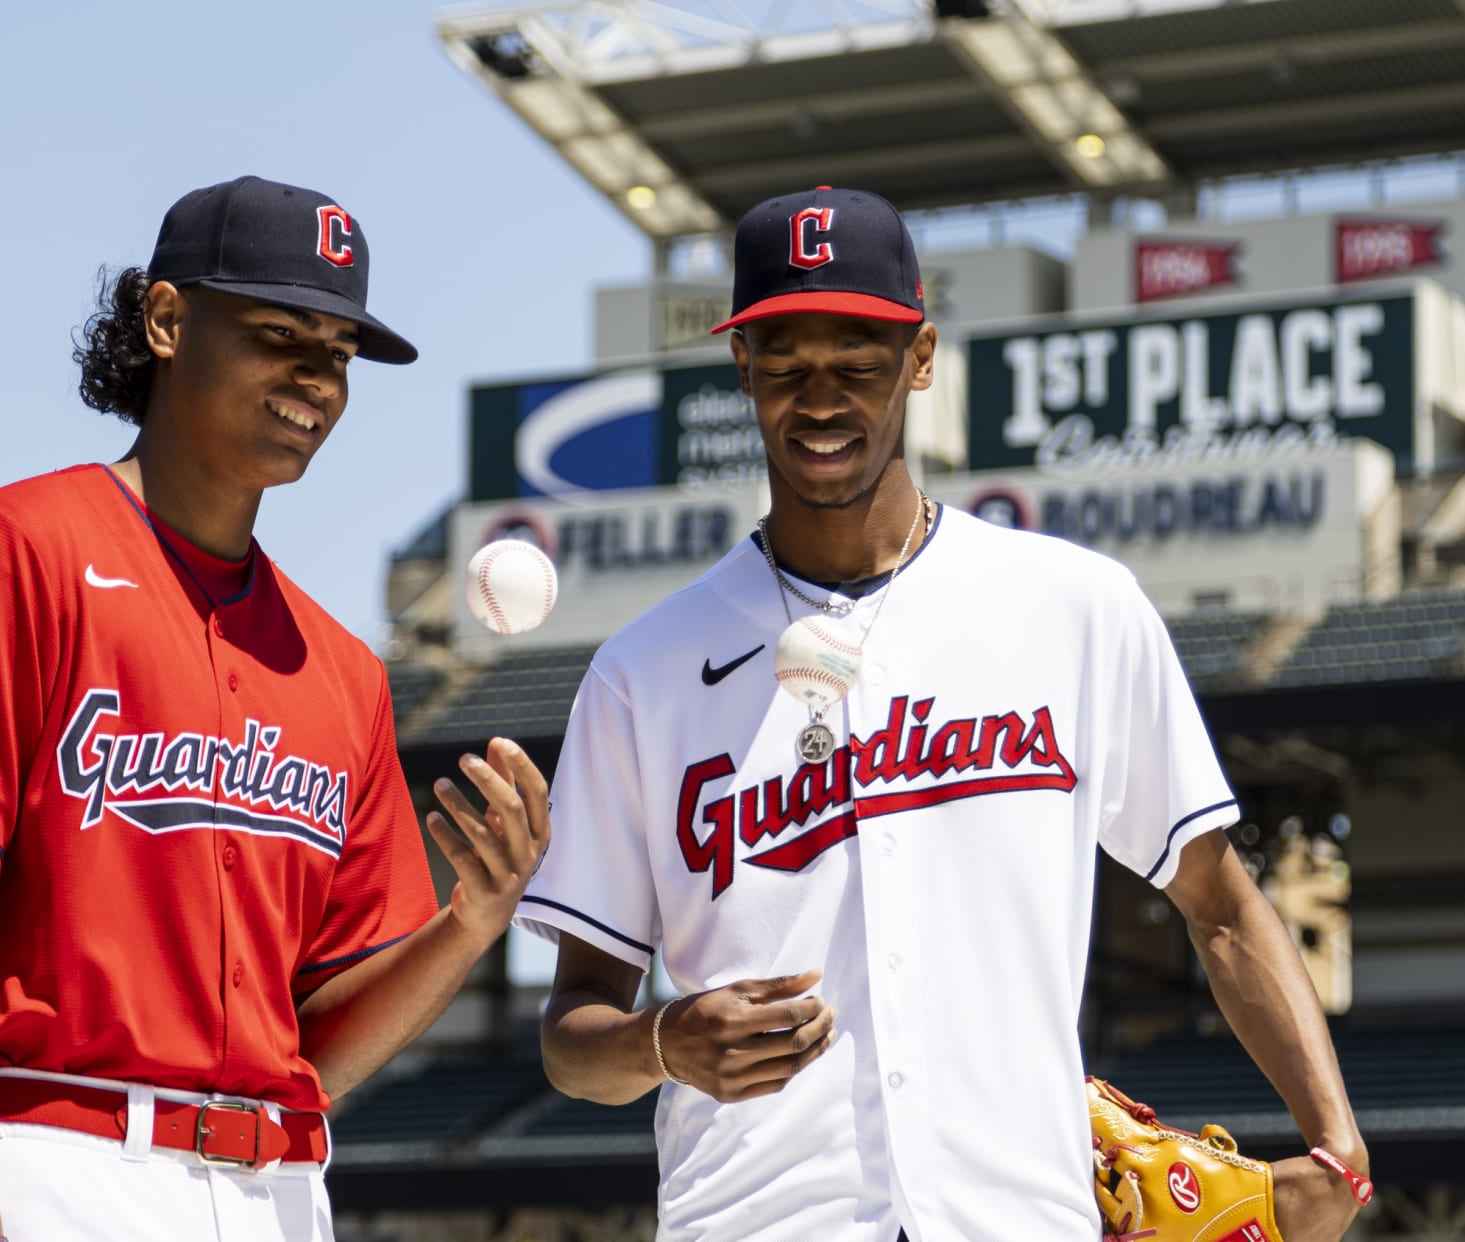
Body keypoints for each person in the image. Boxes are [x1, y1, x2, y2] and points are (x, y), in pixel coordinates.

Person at [516, 186, 1368, 1241]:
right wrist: (663, 1042)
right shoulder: (644, 673)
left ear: (920, 359)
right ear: (741, 368)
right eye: (784, 360)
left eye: (857, 359)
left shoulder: (1071, 608)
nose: (819, 396)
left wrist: (1336, 1142)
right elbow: (570, 1031)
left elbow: (1222, 903)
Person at [0, 176, 549, 1242]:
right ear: (168, 320)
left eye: (339, 355)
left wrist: (472, 924)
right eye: (281, 337)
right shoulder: (21, 550)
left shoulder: (342, 669)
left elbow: (314, 1042)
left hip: (279, 1196)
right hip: (62, 1163)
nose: (315, 381)